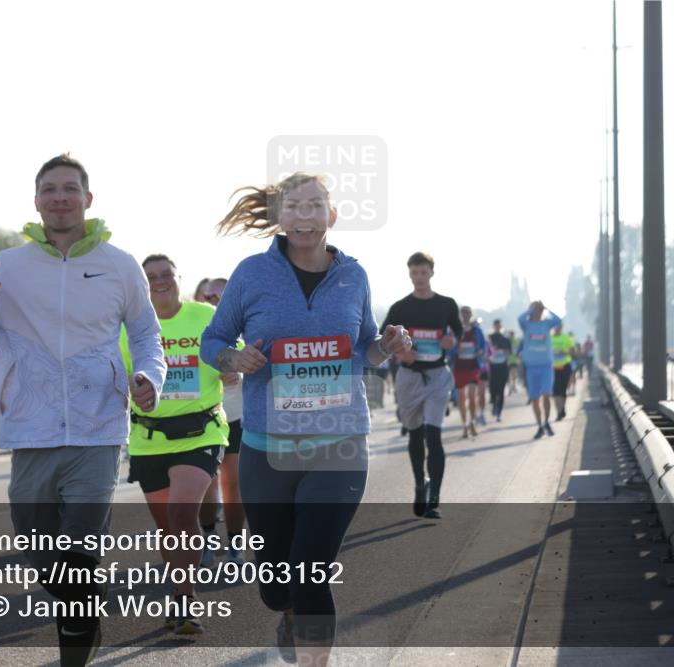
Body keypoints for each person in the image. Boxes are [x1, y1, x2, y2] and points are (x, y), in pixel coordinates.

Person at [0, 154, 166, 666]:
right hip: (31, 429)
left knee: (79, 551)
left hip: (99, 427)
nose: (60, 197)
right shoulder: (6, 266)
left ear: (88, 200)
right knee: (43, 557)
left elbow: (145, 334)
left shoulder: (120, 264)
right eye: (50, 189)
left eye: (71, 188)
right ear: (36, 201)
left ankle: (74, 648)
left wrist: (148, 378)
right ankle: (85, 606)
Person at [201, 173, 410, 664]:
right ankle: (286, 611)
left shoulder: (353, 276)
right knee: (277, 584)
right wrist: (234, 360)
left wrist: (389, 345)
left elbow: (366, 349)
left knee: (311, 570)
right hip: (266, 446)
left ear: (331, 216)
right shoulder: (252, 274)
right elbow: (214, 342)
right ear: (279, 217)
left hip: (340, 444)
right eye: (293, 206)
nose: (305, 215)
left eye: (315, 205)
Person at [121, 257, 229, 635]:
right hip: (149, 438)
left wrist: (232, 367)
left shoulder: (207, 316)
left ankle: (185, 600)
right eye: (150, 277)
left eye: (166, 275)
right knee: (168, 526)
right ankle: (179, 590)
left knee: (183, 514)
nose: (160, 282)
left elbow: (232, 353)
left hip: (201, 431)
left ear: (179, 279)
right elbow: (111, 373)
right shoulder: (130, 324)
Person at [381, 252, 462, 518]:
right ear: (409, 274)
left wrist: (452, 342)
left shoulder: (446, 304)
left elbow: (457, 332)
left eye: (423, 272)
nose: (419, 278)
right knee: (415, 434)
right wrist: (400, 353)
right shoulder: (400, 307)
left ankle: (435, 500)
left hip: (438, 375)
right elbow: (383, 338)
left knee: (433, 434)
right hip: (409, 377)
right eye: (414, 273)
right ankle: (420, 484)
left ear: (431, 272)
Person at [193, 277, 247, 567]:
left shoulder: (242, 330)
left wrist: (240, 374)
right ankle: (209, 537)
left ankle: (236, 543)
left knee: (233, 484)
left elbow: (258, 368)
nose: (215, 299)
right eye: (210, 294)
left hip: (237, 417)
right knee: (206, 487)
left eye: (221, 294)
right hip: (205, 419)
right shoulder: (193, 332)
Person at [518, 301, 562, 440]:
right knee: (535, 398)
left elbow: (558, 320)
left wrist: (547, 308)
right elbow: (520, 318)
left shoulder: (547, 324)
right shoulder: (526, 325)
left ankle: (546, 421)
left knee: (546, 394)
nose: (538, 311)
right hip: (531, 367)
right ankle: (540, 426)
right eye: (535, 309)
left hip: (546, 366)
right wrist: (530, 310)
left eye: (539, 309)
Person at [452, 306, 487, 439]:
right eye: (463, 313)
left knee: (472, 395)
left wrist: (480, 351)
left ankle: (472, 421)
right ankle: (465, 425)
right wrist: (456, 351)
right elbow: (450, 348)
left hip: (473, 366)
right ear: (460, 315)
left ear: (471, 315)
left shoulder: (476, 331)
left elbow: (483, 345)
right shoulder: (455, 330)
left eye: (468, 313)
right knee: (462, 397)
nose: (465, 315)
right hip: (459, 367)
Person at [487, 319, 513, 421]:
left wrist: (505, 351)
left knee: (501, 390)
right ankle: (494, 403)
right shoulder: (490, 338)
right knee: (492, 389)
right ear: (494, 326)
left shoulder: (505, 339)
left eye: (499, 325)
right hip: (492, 367)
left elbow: (510, 353)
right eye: (496, 325)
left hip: (503, 367)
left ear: (501, 327)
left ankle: (499, 412)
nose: (498, 327)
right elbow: (486, 350)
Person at [551, 324, 576, 421]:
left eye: (559, 326)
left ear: (562, 327)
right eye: (556, 326)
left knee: (563, 390)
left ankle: (562, 408)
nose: (557, 328)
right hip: (553, 368)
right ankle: (558, 412)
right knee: (555, 391)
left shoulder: (566, 338)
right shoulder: (549, 338)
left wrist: (563, 352)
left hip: (565, 366)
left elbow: (573, 352)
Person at [506, 331, 521, 395]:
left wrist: (519, 358)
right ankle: (510, 387)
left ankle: (514, 385)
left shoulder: (516, 341)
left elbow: (519, 350)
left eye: (512, 334)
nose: (511, 336)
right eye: (510, 334)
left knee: (514, 374)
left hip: (515, 360)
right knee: (509, 375)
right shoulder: (507, 341)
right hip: (508, 361)